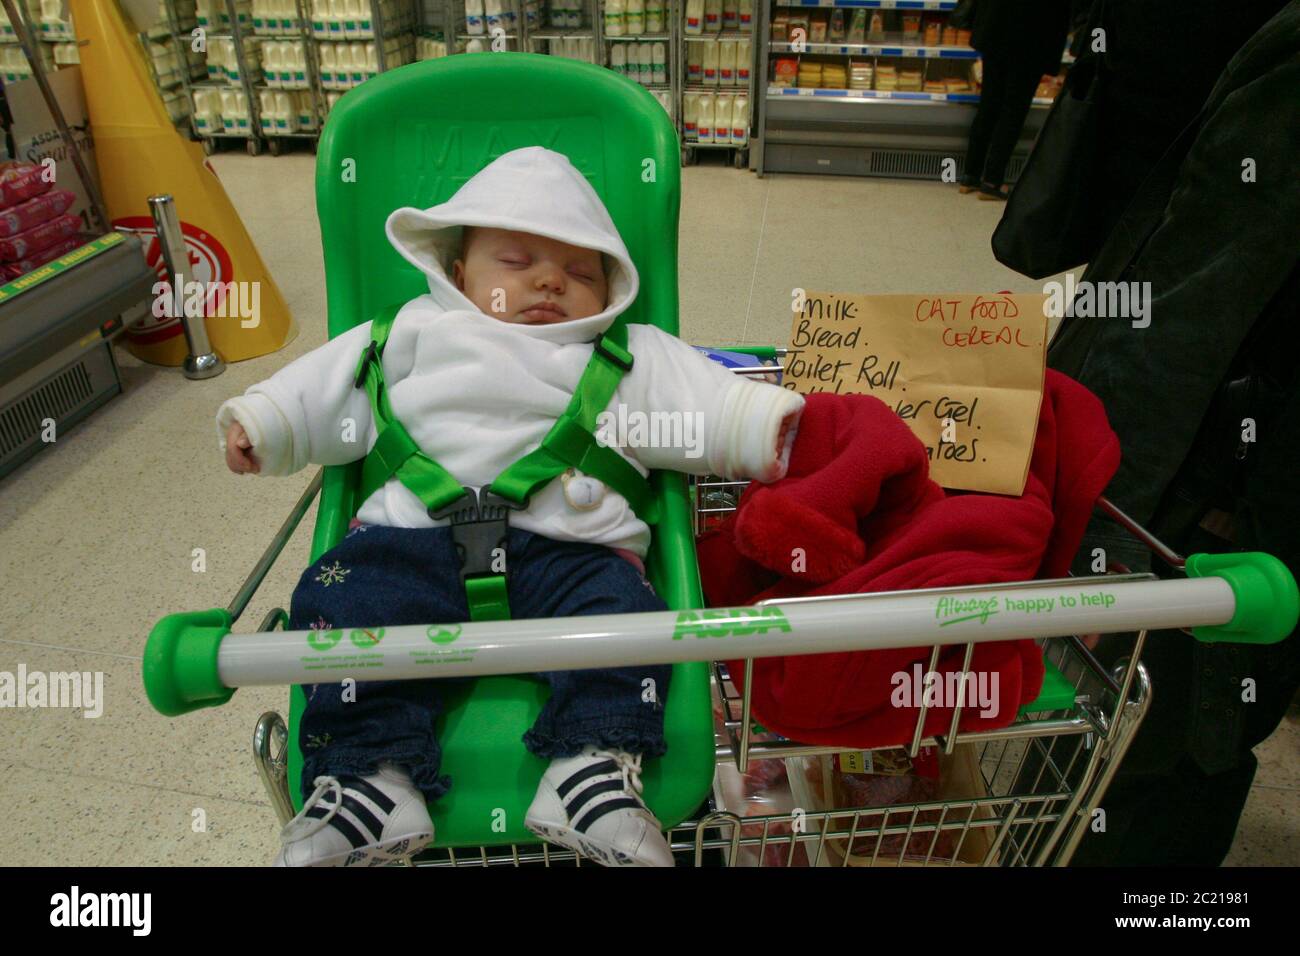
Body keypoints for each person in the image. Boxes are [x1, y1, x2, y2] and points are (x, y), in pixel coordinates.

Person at [216, 146, 805, 867]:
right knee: (344, 606)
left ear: (610, 286)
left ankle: (589, 769)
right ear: (457, 273)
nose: (551, 280)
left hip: (572, 552)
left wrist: (759, 427)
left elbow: (706, 404)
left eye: (581, 271)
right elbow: (319, 388)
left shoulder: (627, 355)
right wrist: (267, 424)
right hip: (406, 547)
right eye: (517, 260)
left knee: (629, 617)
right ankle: (371, 780)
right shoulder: (404, 335)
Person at [1044, 2, 1300, 865]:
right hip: (1245, 473)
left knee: (1155, 737)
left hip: (1218, 490)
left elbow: (1185, 309)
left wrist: (1091, 510)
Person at [958, 0, 1070, 200]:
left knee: (989, 104)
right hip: (1031, 38)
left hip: (995, 28)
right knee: (1013, 110)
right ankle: (992, 181)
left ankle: (970, 175)